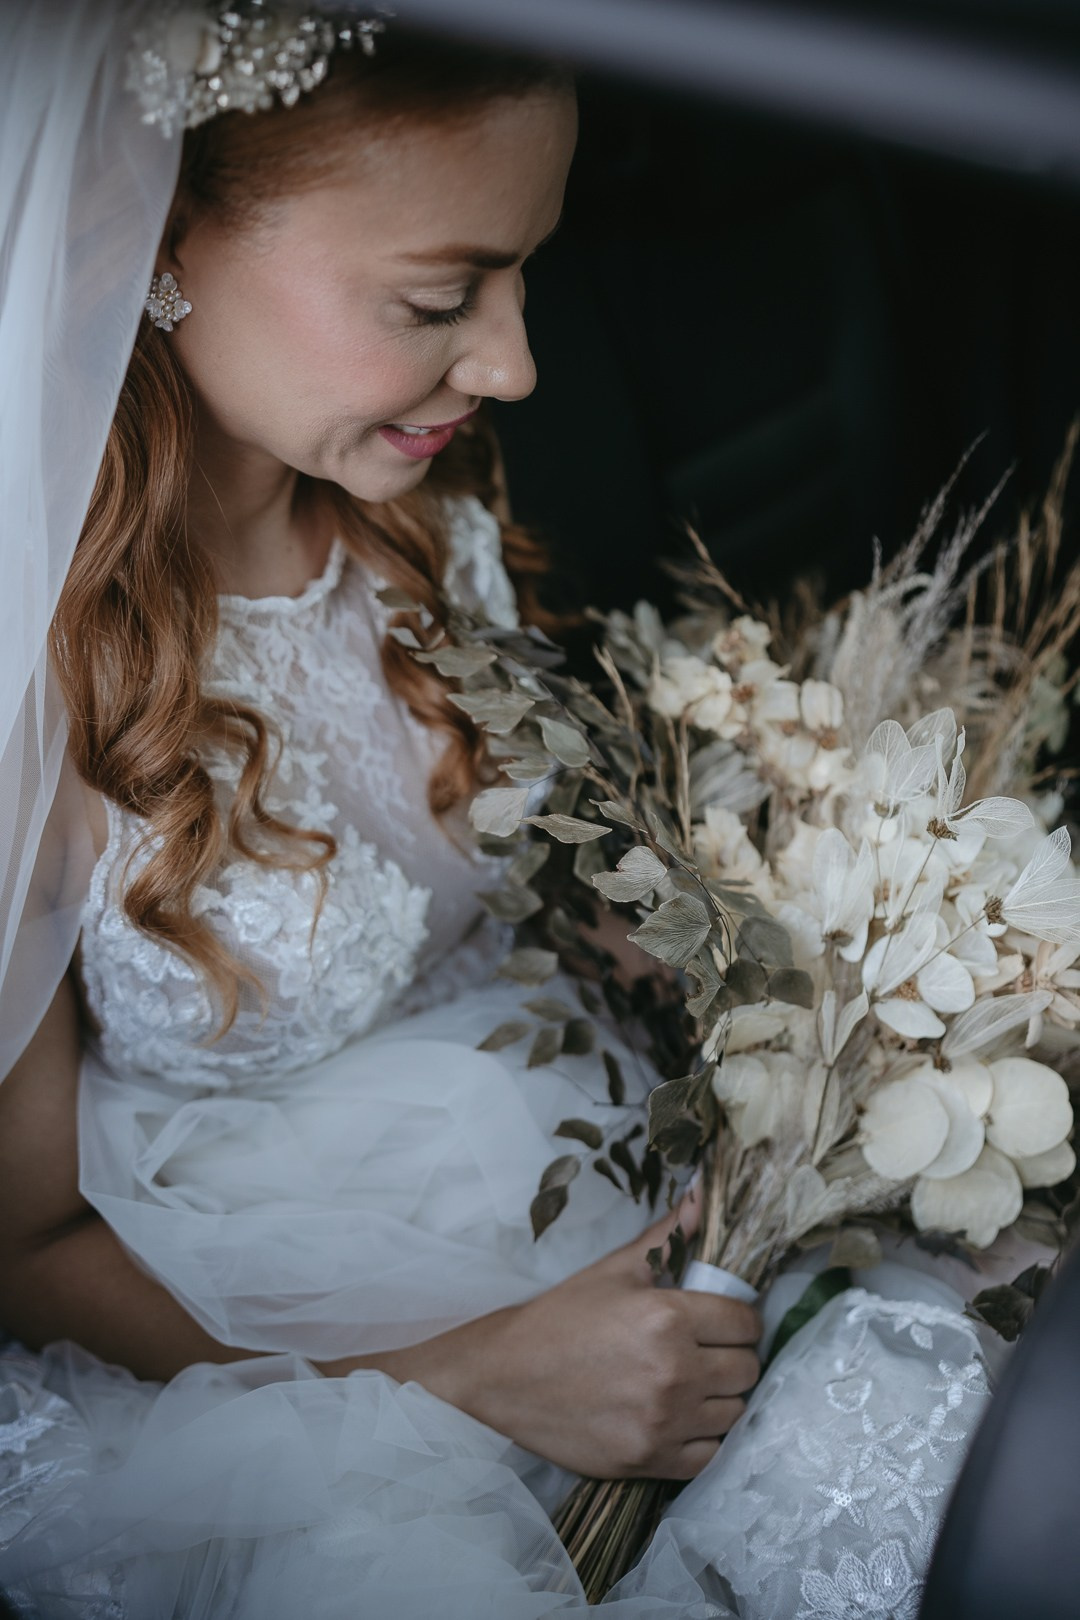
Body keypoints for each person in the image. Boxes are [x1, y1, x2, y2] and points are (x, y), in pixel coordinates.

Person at [0, 5, 1002, 1616]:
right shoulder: (29, 673)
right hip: (273, 1342)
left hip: (603, 1163)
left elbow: (495, 881)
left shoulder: (420, 515)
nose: (516, 360)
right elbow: (19, 1250)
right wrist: (461, 1381)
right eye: (438, 297)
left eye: (526, 272)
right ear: (157, 232)